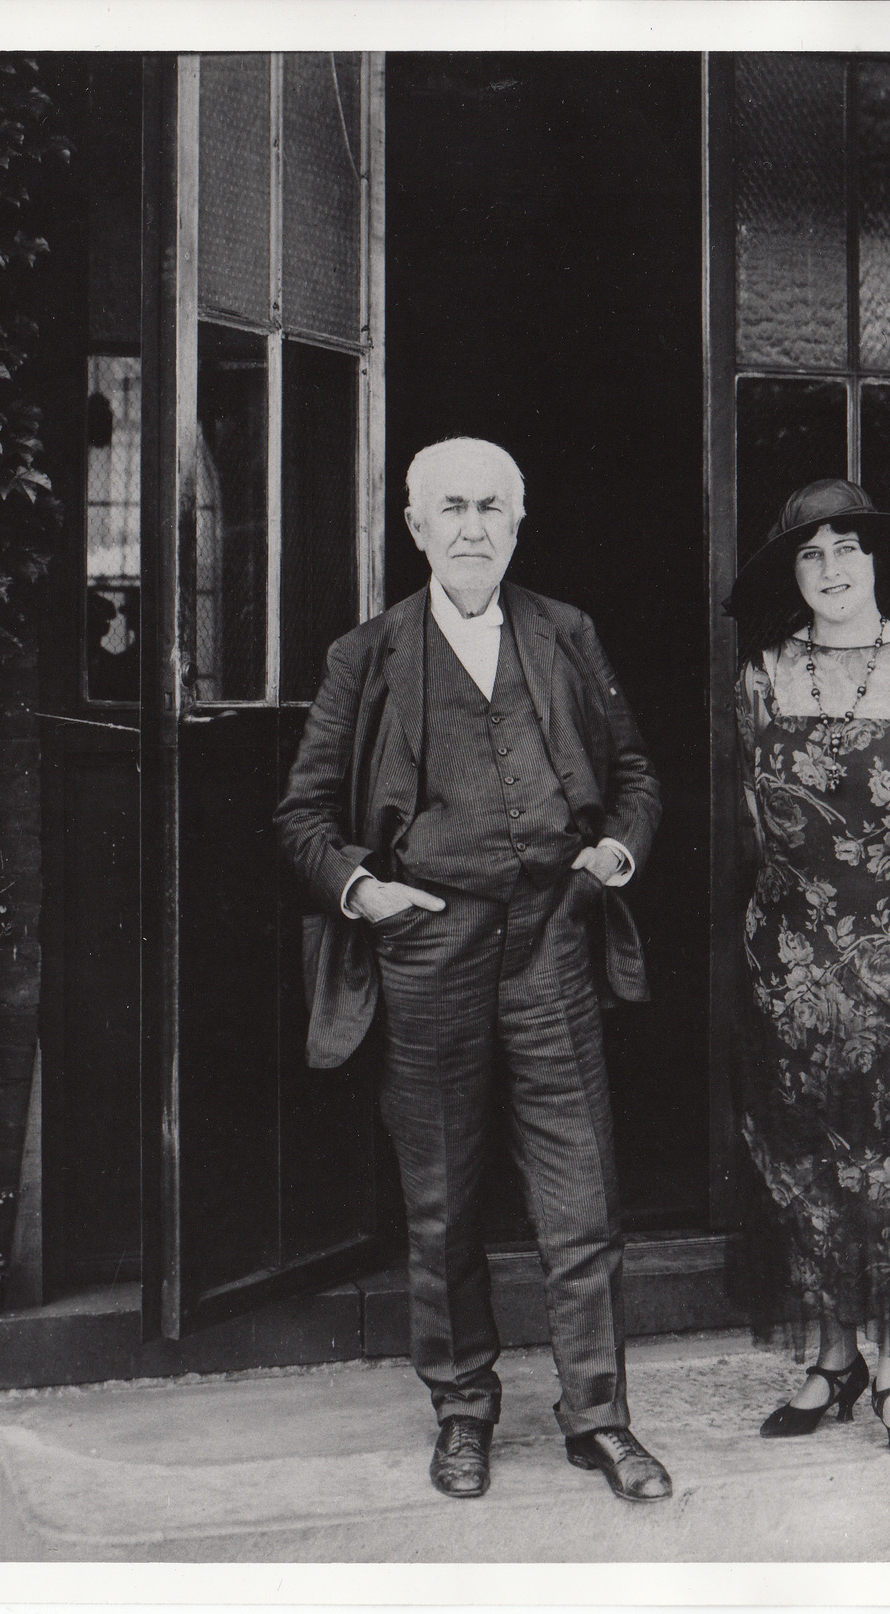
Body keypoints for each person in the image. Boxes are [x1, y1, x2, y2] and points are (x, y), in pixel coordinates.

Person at [275, 437, 672, 1504]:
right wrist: (369, 894)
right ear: (413, 526)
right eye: (449, 507)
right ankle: (462, 1410)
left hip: (553, 939)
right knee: (443, 1202)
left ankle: (599, 1419)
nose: (471, 526)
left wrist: (614, 852)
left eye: (491, 506)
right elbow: (302, 818)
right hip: (429, 952)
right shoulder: (367, 655)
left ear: (518, 519)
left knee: (580, 1197)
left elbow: (633, 772)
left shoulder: (566, 633)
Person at [724, 477, 890, 1466]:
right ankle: (831, 1358)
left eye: (847, 548)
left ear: (875, 561)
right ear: (792, 573)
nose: (830, 569)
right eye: (809, 554)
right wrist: (805, 911)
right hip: (789, 957)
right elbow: (749, 820)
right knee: (801, 1157)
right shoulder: (762, 678)